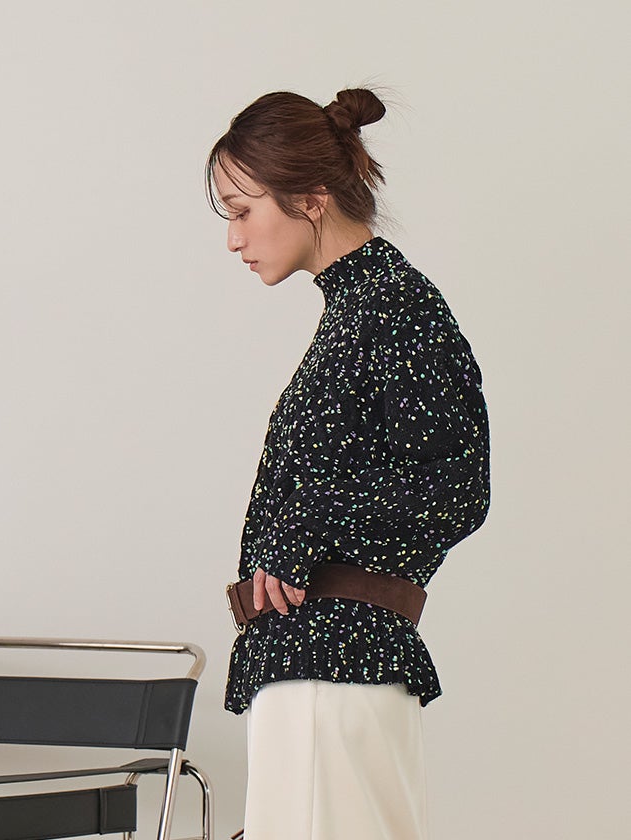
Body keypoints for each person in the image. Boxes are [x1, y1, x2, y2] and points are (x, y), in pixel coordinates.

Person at [205, 87, 491, 840]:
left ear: (310, 197)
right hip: (315, 668)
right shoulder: (358, 309)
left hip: (333, 668)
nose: (233, 239)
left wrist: (304, 526)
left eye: (242, 211)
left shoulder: (393, 307)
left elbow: (458, 485)